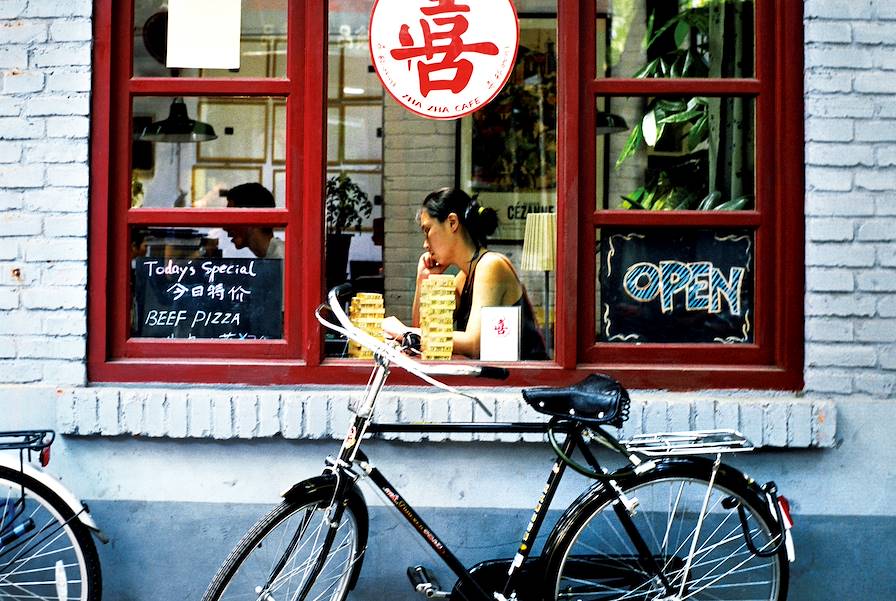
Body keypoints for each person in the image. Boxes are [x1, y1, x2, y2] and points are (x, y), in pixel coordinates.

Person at [383, 188, 547, 360]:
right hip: (499, 382)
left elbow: (474, 345)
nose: (425, 244)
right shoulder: (463, 278)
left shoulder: (491, 265)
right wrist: (423, 279)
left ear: (452, 222)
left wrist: (403, 331)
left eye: (427, 230)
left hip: (528, 382)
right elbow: (425, 336)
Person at [223, 183, 284, 259]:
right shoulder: (271, 257)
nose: (225, 228)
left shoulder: (281, 259)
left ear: (252, 217)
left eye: (232, 218)